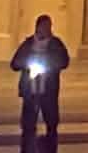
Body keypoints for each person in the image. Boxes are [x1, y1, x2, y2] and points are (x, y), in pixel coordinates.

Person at [10, 13, 70, 151]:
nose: (46, 29)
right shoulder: (28, 43)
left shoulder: (56, 44)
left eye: (48, 26)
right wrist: (26, 63)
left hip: (48, 90)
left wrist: (51, 64)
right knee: (28, 125)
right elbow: (15, 63)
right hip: (30, 91)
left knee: (51, 123)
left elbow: (64, 61)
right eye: (43, 26)